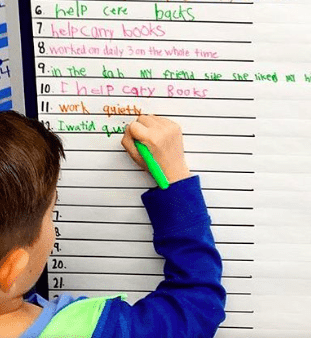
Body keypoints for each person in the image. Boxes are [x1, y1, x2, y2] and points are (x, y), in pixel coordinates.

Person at [0, 111, 226, 338]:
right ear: (11, 268)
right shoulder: (92, 331)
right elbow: (196, 307)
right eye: (52, 211)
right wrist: (175, 180)